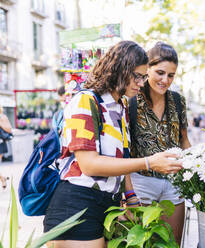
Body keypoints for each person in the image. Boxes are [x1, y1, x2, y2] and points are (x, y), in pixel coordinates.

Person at [43, 41, 183, 248]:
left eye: (144, 77)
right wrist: (148, 163)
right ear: (119, 70)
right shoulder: (85, 101)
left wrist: (130, 195)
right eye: (137, 76)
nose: (142, 83)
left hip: (107, 204)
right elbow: (89, 165)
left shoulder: (121, 106)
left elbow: (121, 157)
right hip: (76, 205)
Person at [130, 42, 191, 245]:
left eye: (171, 75)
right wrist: (127, 192)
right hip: (141, 180)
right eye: (160, 72)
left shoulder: (178, 101)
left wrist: (193, 170)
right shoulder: (131, 100)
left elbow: (183, 140)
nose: (165, 80)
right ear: (147, 69)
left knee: (171, 242)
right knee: (143, 241)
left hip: (174, 183)